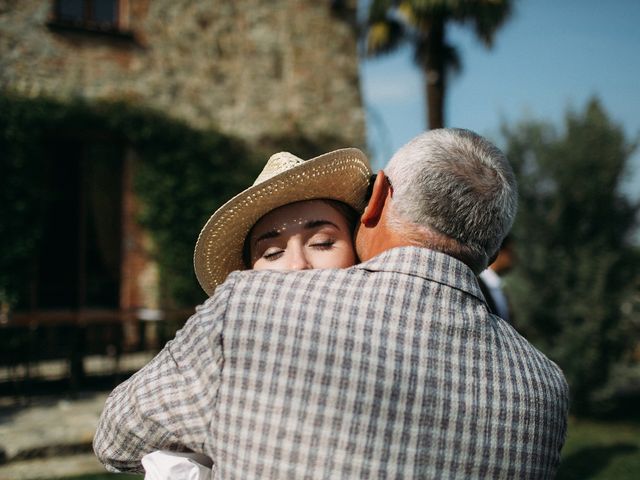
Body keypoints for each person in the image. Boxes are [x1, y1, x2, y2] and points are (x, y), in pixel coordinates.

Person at [94, 128, 569, 479]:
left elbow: (117, 438)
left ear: (375, 200)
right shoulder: (547, 388)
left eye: (322, 241)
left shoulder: (246, 310)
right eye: (272, 251)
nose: (296, 269)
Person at [478, 234, 515, 322]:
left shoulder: (500, 289)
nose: (514, 257)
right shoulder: (477, 285)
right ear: (498, 251)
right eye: (510, 252)